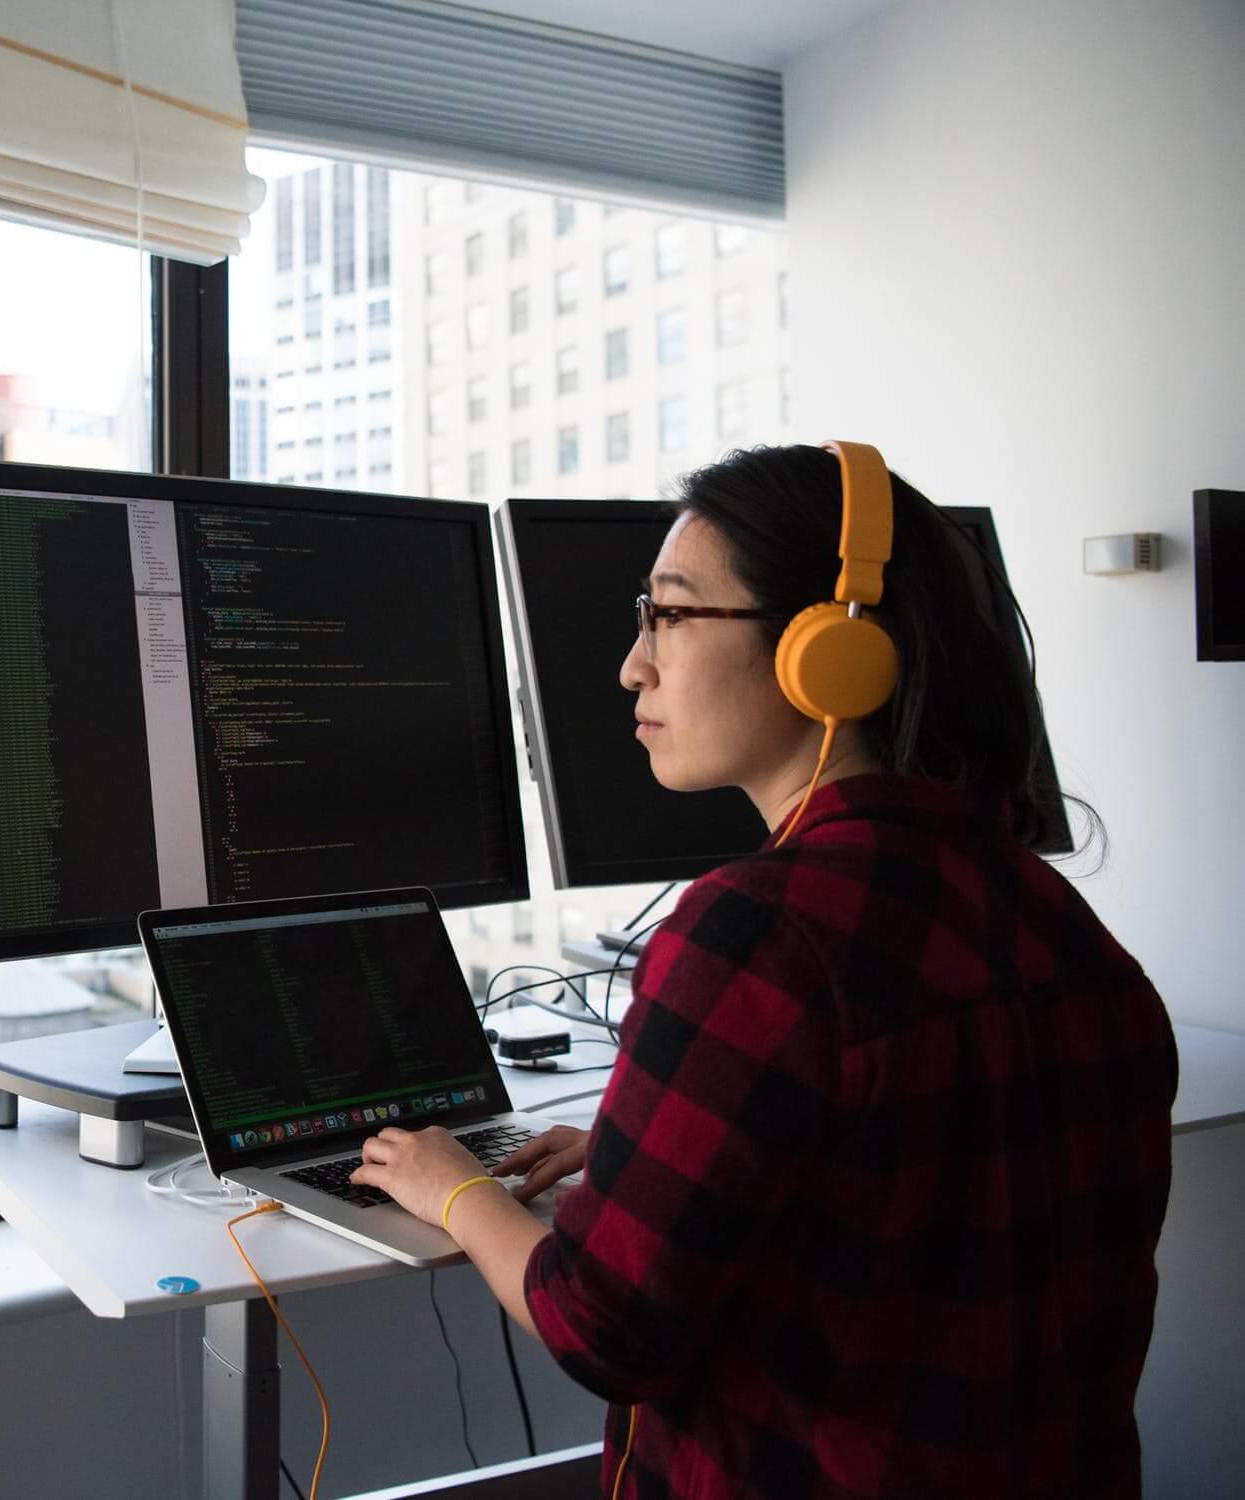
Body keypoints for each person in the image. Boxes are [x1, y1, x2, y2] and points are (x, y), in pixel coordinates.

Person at [350, 444, 1177, 1497]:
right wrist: (652, 1144)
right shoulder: (1066, 928)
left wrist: (455, 1186)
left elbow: (602, 1328)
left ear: (829, 652)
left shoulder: (759, 935)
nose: (632, 664)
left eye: (671, 614)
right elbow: (917, 1175)